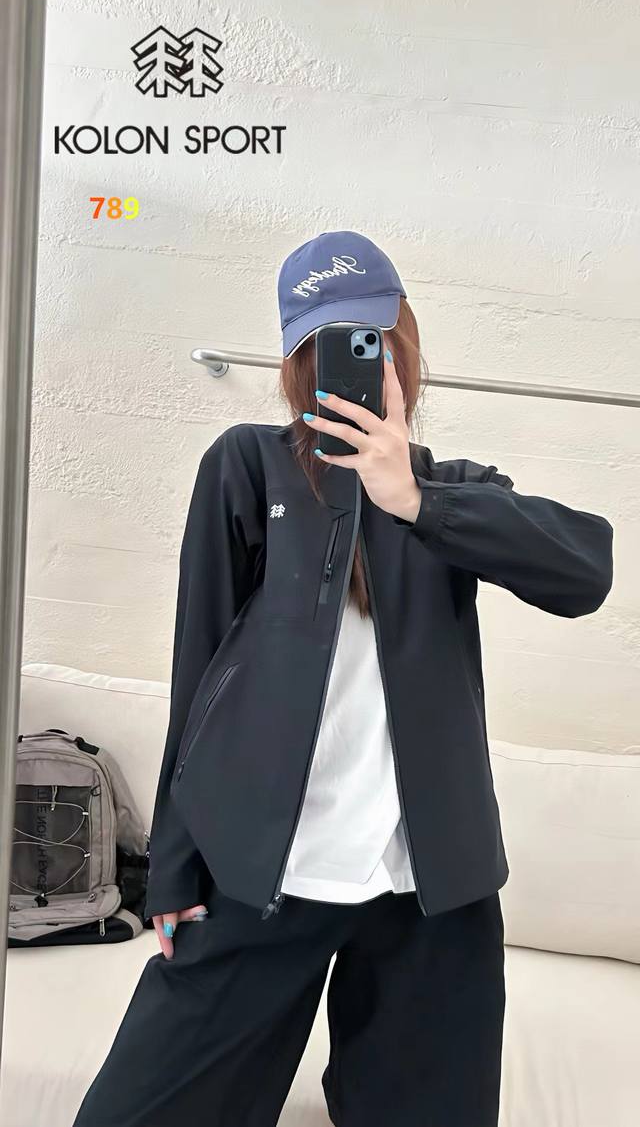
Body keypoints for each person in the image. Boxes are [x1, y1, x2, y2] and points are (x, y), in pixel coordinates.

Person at [72, 230, 614, 1127]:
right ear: (298, 364)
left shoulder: (455, 490)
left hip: (429, 901)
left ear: (405, 347)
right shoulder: (245, 466)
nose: (359, 366)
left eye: (372, 340)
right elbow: (195, 671)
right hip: (259, 879)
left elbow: (585, 571)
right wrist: (172, 873)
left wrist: (414, 499)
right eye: (328, 347)